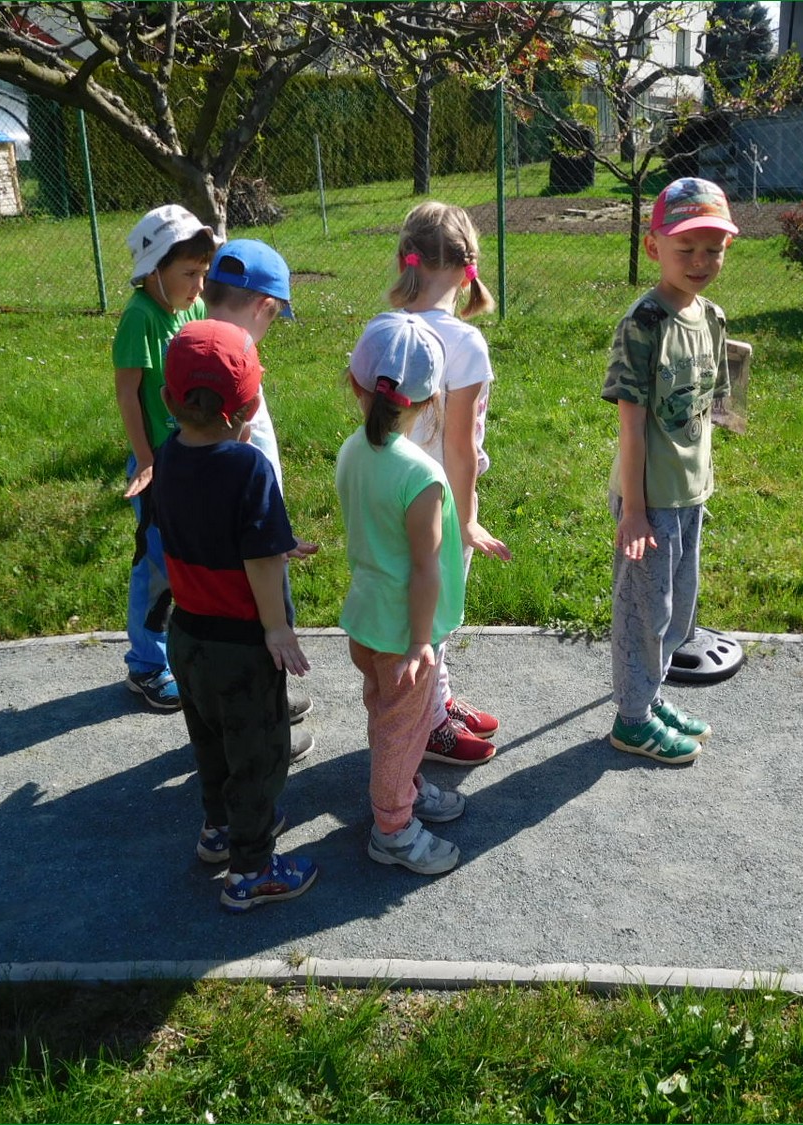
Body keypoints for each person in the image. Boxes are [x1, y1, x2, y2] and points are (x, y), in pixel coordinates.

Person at [152, 318, 318, 913]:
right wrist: (277, 627)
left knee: (212, 744)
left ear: (168, 399)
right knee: (259, 757)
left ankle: (218, 830)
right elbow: (257, 560)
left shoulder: (166, 458)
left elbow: (204, 530)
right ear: (249, 407)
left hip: (187, 636)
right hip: (242, 646)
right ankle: (252, 871)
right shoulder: (249, 467)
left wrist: (276, 540)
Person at [601, 177, 740, 766]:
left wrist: (704, 476)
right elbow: (631, 427)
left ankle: (650, 698)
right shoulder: (645, 323)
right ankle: (632, 720)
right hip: (649, 501)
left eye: (713, 249)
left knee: (677, 611)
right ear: (654, 246)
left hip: (688, 494)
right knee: (644, 614)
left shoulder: (711, 317)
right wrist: (633, 511)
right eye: (686, 249)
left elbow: (712, 405)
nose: (701, 261)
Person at [337, 311, 469, 875]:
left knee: (390, 720)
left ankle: (405, 787)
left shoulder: (352, 451)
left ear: (355, 383)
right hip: (404, 636)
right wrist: (420, 643)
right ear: (431, 399)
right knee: (400, 728)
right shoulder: (420, 475)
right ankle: (392, 828)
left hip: (368, 621)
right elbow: (424, 568)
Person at [389, 201, 511, 768]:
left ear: (405, 260)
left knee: (419, 613)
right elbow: (460, 449)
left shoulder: (386, 329)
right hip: (441, 504)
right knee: (433, 617)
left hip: (392, 497)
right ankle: (429, 726)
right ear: (469, 269)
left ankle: (436, 700)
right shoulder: (465, 343)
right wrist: (467, 520)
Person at [203, 238, 319, 758]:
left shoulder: (194, 349)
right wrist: (271, 532)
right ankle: (264, 731)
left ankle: (245, 713)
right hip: (251, 532)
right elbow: (246, 461)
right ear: (265, 306)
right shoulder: (238, 361)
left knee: (230, 637)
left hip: (211, 537)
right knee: (268, 630)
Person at [112, 204, 216, 711]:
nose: (199, 286)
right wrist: (145, 459)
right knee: (157, 567)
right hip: (157, 468)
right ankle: (147, 666)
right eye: (189, 274)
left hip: (191, 462)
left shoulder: (191, 309)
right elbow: (128, 394)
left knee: (190, 563)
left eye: (203, 273)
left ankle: (187, 652)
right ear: (154, 269)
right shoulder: (140, 317)